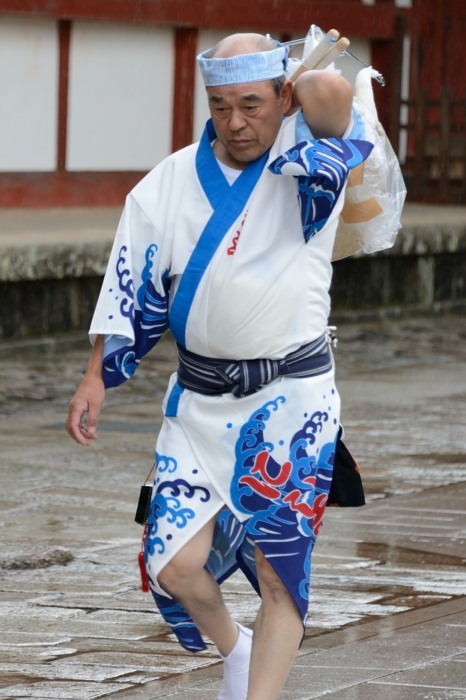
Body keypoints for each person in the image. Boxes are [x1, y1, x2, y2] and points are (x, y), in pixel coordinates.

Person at [67, 32, 403, 700]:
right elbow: (128, 283)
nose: (236, 122)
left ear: (281, 96)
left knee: (282, 575)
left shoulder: (312, 160)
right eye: (221, 106)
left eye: (252, 104)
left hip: (292, 402)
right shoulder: (167, 183)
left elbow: (333, 96)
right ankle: (236, 648)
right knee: (174, 564)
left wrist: (296, 78)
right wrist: (94, 376)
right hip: (198, 404)